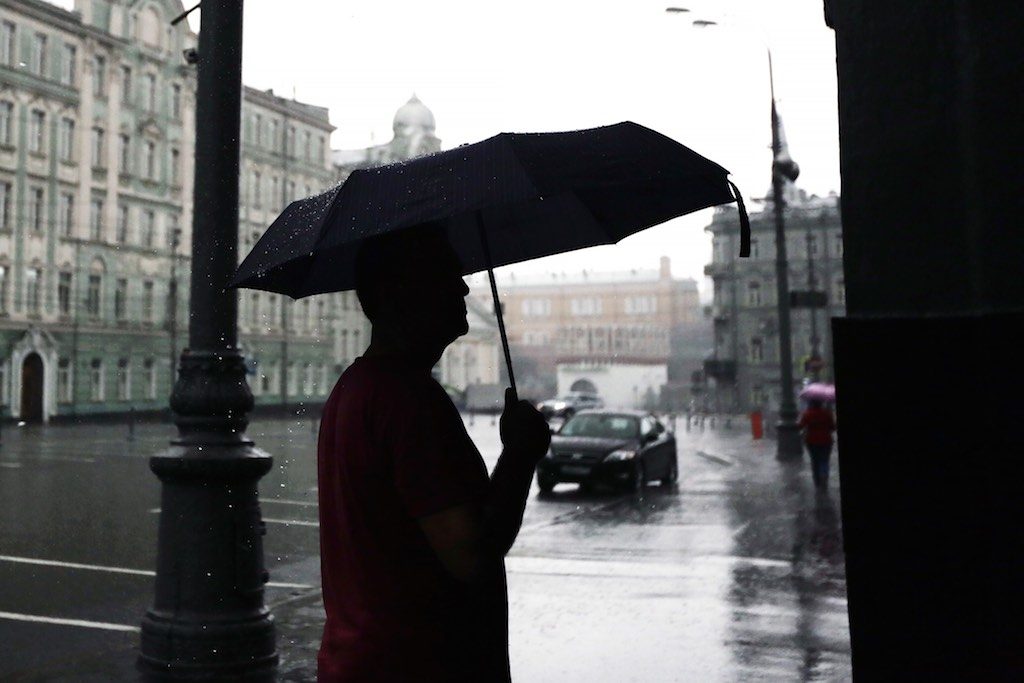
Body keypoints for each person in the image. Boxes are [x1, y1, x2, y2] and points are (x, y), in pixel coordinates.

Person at [316, 225, 552, 682]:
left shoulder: (358, 388)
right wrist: (520, 458)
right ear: (397, 292)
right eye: (445, 271)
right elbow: (470, 557)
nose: (463, 285)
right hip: (417, 664)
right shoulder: (406, 401)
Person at [798, 398, 837, 490]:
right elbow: (833, 428)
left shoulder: (807, 414)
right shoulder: (827, 414)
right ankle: (824, 477)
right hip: (826, 441)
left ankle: (817, 482)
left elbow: (800, 426)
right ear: (821, 404)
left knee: (815, 461)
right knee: (824, 460)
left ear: (811, 404)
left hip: (811, 441)